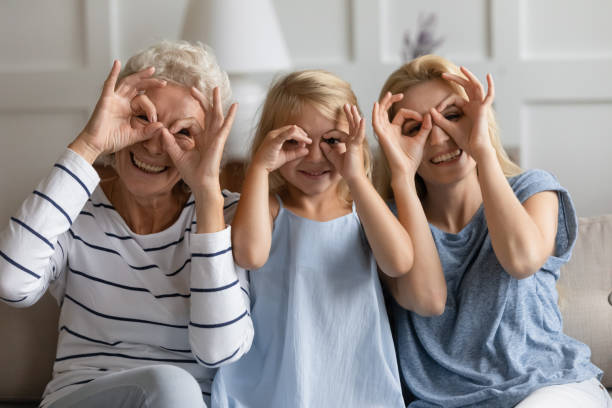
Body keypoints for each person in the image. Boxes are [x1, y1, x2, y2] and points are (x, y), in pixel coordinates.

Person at [0, 41, 253, 408]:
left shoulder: (227, 217)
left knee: (174, 387)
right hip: (79, 398)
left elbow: (219, 351)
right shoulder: (73, 210)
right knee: (169, 384)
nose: (154, 145)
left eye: (183, 133)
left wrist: (208, 192)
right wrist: (90, 143)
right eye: (143, 118)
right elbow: (10, 282)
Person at [373, 54, 611, 407]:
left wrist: (481, 148)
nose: (438, 137)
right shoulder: (387, 221)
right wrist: (402, 177)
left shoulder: (534, 190)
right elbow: (427, 300)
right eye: (414, 129)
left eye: (452, 116)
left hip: (549, 388)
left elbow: (521, 260)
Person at [211, 69, 446, 407]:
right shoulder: (269, 207)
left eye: (333, 141)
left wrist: (354, 173)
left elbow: (398, 262)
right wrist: (260, 169)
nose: (315, 156)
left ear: (354, 143)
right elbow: (249, 255)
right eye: (296, 142)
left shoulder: (360, 209)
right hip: (275, 384)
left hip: (354, 380)